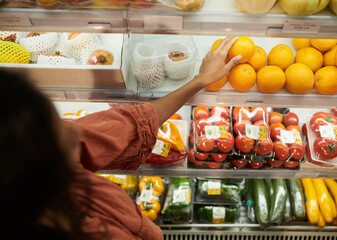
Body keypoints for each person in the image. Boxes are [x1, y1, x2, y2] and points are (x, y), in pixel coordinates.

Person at [0, 37, 241, 240]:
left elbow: (133, 122)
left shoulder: (45, 168)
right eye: (59, 130)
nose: (74, 130)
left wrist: (199, 81)